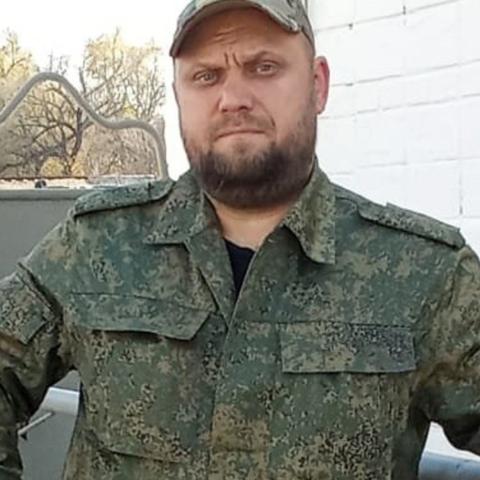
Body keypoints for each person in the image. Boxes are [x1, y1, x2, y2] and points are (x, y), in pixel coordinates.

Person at [0, 1, 479, 479]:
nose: (233, 98)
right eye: (205, 76)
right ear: (178, 95)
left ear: (317, 85)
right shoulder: (94, 245)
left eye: (263, 67)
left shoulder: (426, 273)